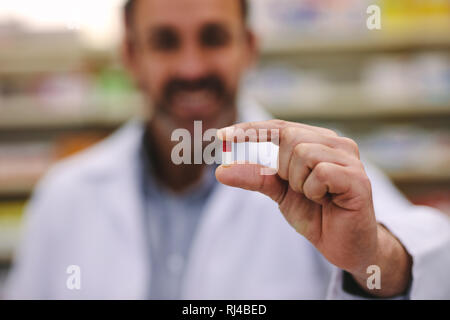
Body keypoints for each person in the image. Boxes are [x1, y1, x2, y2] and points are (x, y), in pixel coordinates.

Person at [5, 0, 450, 299]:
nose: (192, 67)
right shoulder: (66, 195)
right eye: (165, 42)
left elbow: (428, 268)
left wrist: (371, 254)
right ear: (132, 57)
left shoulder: (323, 177)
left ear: (249, 49)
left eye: (213, 37)